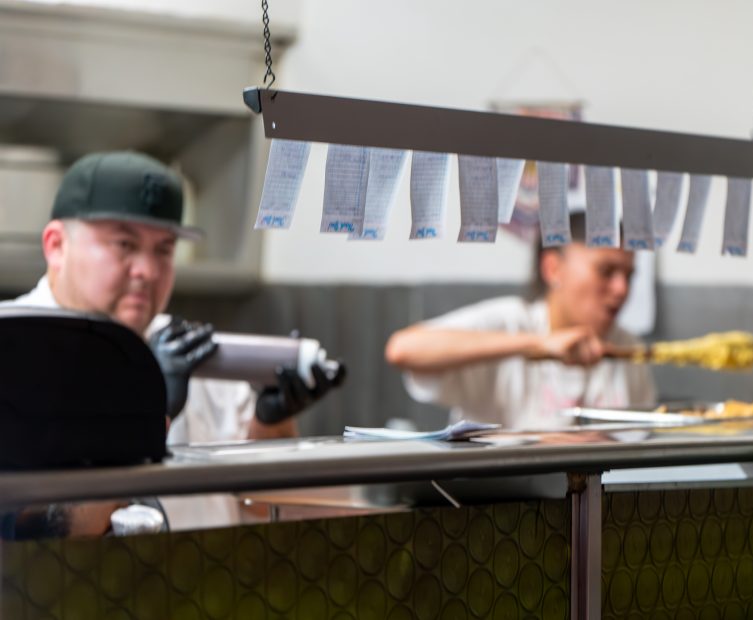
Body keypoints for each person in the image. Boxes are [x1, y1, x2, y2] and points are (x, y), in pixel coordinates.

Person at [1, 151, 341, 536]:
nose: (146, 270)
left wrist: (270, 424)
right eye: (124, 245)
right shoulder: (14, 346)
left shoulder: (197, 354)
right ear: (56, 245)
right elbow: (43, 533)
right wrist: (147, 413)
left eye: (163, 250)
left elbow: (267, 509)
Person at [385, 212, 656, 429]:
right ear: (553, 268)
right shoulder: (513, 322)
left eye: (628, 275)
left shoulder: (627, 349)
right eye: (606, 271)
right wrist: (540, 344)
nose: (622, 289)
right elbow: (403, 348)